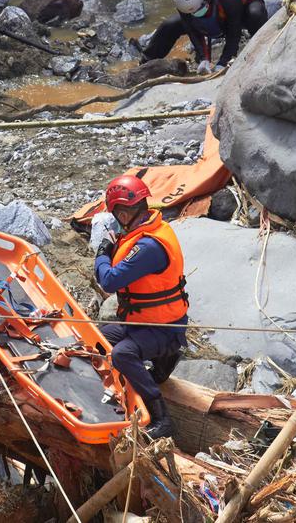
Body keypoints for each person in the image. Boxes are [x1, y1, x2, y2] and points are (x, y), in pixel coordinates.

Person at [94, 175, 188, 439]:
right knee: (100, 337)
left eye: (116, 213)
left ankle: (161, 416)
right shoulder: (148, 231)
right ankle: (160, 363)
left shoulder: (148, 246)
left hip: (164, 328)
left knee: (121, 354)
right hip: (144, 322)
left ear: (124, 213)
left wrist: (102, 253)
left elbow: (110, 281)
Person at [144, 0, 269, 73]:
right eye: (191, 12)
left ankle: (266, 52)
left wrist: (222, 62)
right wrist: (204, 58)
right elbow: (190, 29)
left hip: (238, 15)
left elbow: (234, 33)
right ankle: (145, 63)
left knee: (255, 13)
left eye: (198, 10)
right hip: (215, 18)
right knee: (170, 25)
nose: (195, 14)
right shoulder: (183, 0)